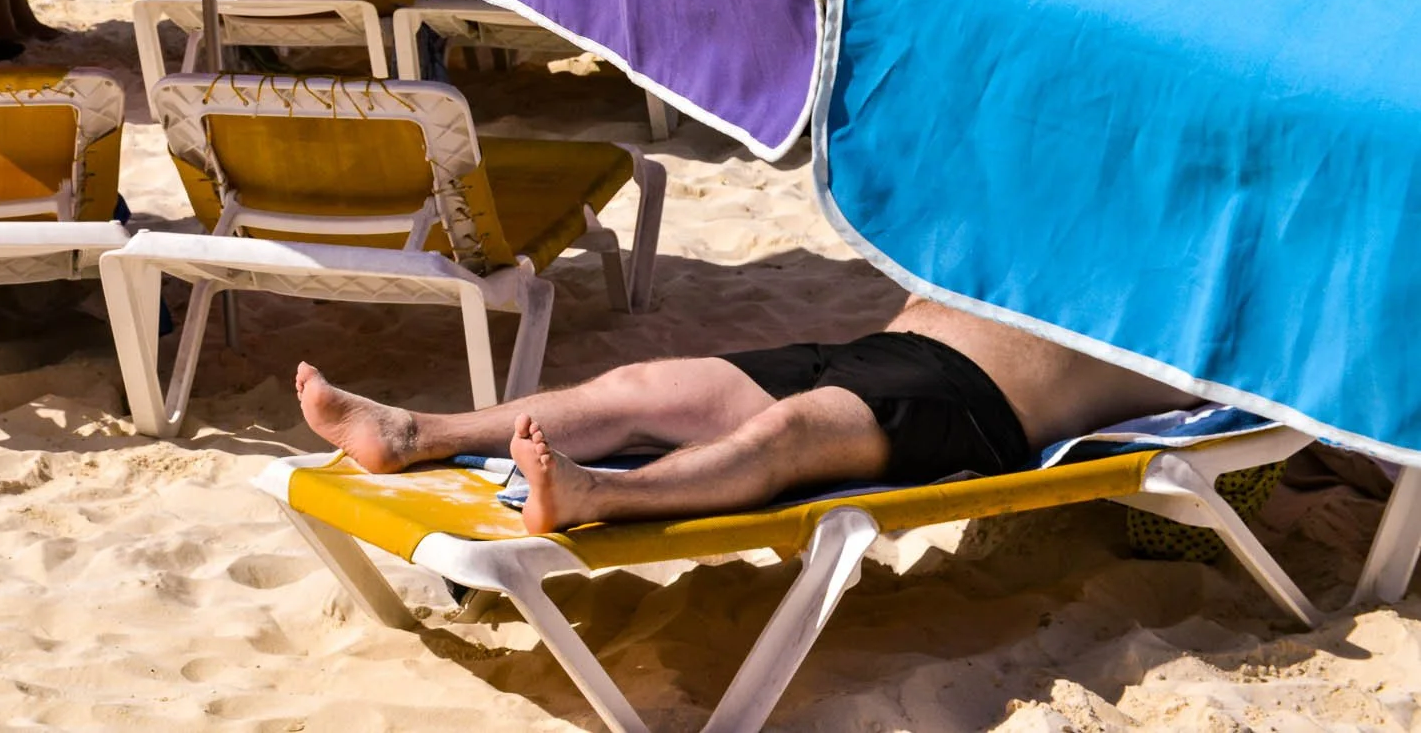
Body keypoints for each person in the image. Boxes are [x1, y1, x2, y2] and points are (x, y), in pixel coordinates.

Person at [297, 298, 1198, 536]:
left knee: (788, 438)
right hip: (875, 352)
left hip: (978, 403)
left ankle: (596, 494)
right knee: (641, 383)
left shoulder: (1205, 302)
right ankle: (419, 433)